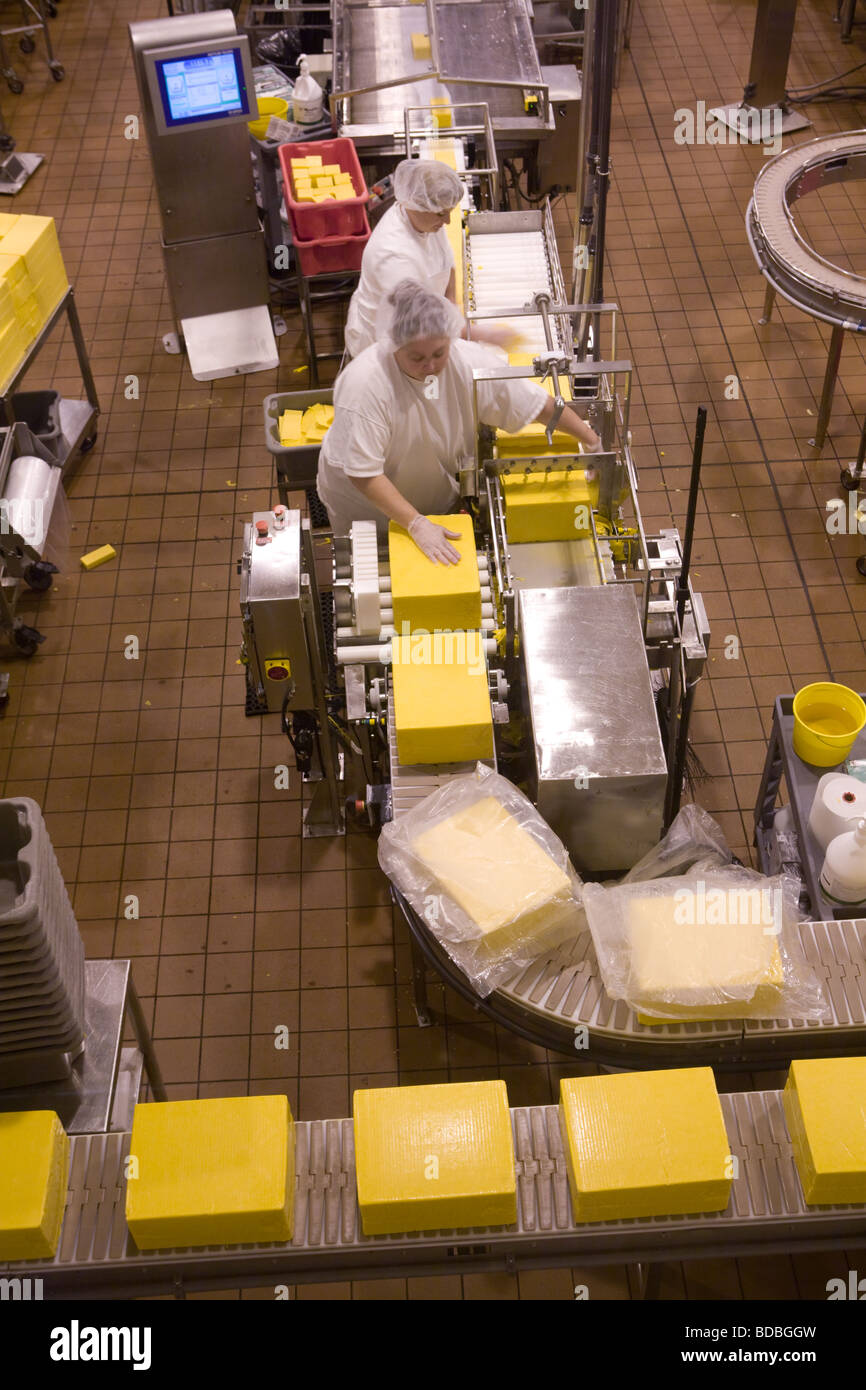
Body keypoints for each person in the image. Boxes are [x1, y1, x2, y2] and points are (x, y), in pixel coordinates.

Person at [318, 279, 602, 561]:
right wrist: (416, 523)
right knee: (369, 569)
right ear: (394, 346)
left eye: (439, 353)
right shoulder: (366, 385)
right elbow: (363, 473)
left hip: (426, 488)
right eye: (417, 357)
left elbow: (537, 404)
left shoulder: (467, 363)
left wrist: (591, 442)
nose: (430, 365)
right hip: (365, 506)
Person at [344, 158, 516, 358]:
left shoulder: (425, 219)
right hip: (390, 343)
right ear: (416, 205)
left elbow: (447, 263)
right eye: (442, 214)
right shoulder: (393, 257)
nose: (448, 220)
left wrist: (452, 304)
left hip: (423, 326)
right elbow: (420, 323)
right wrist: (482, 334)